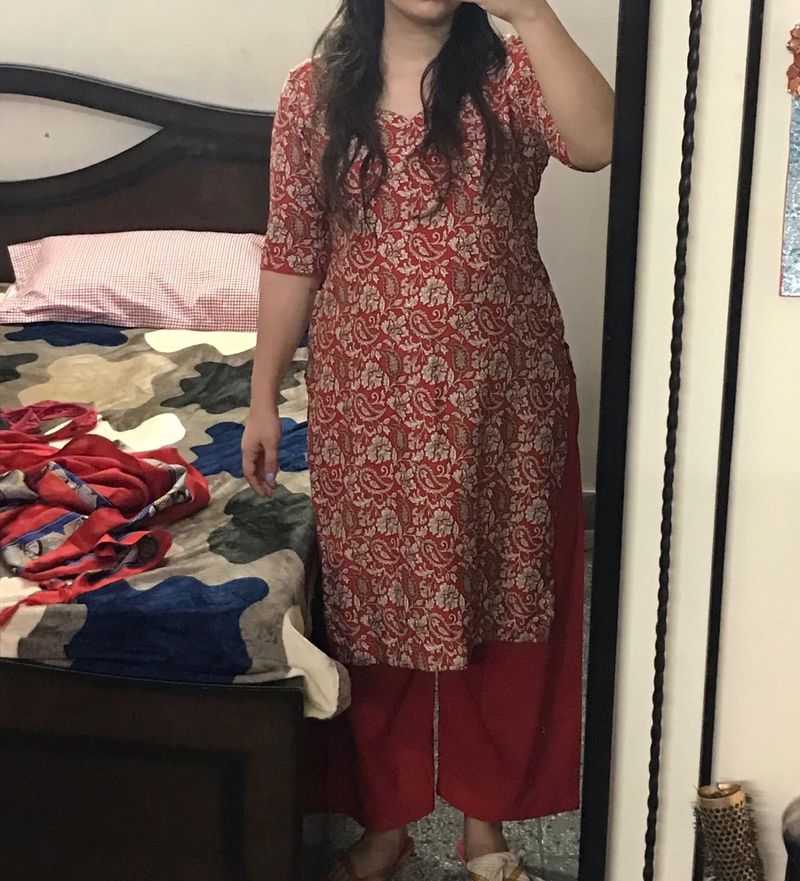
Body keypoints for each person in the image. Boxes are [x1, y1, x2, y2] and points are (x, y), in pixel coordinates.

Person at [243, 1, 614, 878]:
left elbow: (599, 143)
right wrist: (262, 395)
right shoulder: (313, 95)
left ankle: (487, 825)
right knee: (374, 615)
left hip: (505, 400)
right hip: (368, 404)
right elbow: (293, 250)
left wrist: (534, 13)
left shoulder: (511, 77)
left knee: (507, 603)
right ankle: (387, 822)